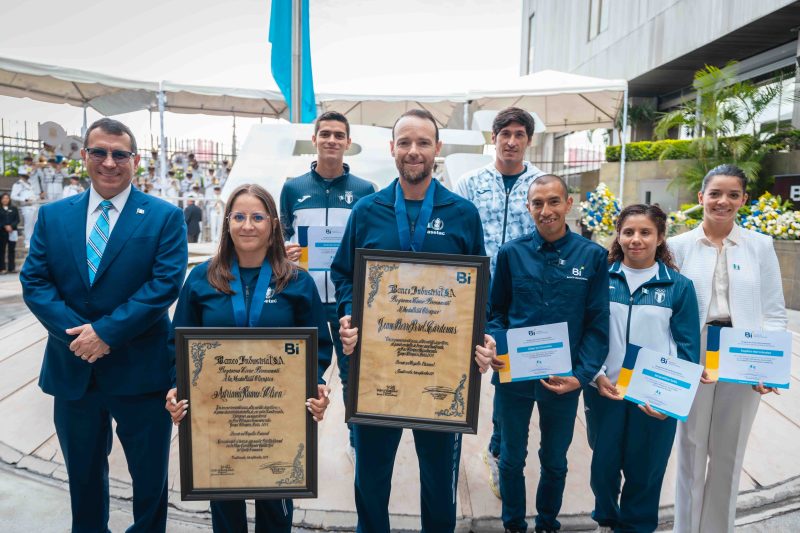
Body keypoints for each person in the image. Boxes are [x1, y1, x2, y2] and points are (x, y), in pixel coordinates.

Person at [331, 109, 496, 533]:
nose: (413, 151)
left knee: (439, 482)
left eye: (423, 142)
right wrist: (350, 313)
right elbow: (344, 273)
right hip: (377, 369)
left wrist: (482, 339)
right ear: (392, 149)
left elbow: (481, 288)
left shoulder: (462, 213)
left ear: (437, 149)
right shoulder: (369, 210)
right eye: (404, 142)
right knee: (370, 479)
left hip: (440, 370)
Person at [20, 118, 188, 532]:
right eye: (99, 152)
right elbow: (35, 281)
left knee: (150, 479)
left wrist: (106, 333)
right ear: (85, 156)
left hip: (141, 373)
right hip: (74, 370)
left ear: (135, 160)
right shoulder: (54, 216)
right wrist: (80, 337)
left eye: (119, 154)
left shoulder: (164, 217)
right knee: (83, 477)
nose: (109, 162)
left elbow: (163, 285)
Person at [165, 183, 332, 533]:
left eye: (257, 217)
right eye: (239, 216)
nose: (248, 225)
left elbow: (318, 347)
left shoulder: (296, 282)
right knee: (225, 508)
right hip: (218, 416)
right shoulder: (201, 279)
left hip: (278, 417)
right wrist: (177, 389)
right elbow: (177, 344)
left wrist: (315, 386)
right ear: (227, 223)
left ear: (273, 224)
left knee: (276, 509)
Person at [485, 174, 609, 533]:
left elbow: (598, 323)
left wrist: (581, 376)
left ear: (569, 204)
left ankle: (547, 525)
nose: (546, 210)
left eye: (554, 201)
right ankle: (512, 526)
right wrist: (498, 347)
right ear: (528, 208)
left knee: (554, 460)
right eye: (537, 203)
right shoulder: (511, 254)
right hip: (514, 376)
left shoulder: (593, 257)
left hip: (564, 378)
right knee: (510, 459)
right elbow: (496, 314)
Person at [669, 164, 787, 533]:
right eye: (715, 193)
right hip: (695, 349)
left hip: (745, 351)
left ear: (743, 200)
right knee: (691, 447)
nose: (723, 201)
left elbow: (773, 310)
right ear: (701, 197)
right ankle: (686, 528)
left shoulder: (760, 245)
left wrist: (770, 369)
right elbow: (669, 309)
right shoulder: (676, 246)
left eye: (732, 194)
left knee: (729, 449)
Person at [585, 204, 700, 533]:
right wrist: (595, 375)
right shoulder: (599, 279)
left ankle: (636, 527)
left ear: (661, 236)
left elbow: (688, 348)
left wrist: (671, 401)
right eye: (629, 232)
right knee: (603, 466)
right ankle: (606, 521)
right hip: (604, 389)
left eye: (645, 232)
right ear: (618, 236)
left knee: (646, 470)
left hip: (653, 396)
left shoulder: (678, 286)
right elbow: (586, 331)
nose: (636, 239)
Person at [454, 106, 545, 498]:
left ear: (528, 140)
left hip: (522, 298)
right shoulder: (469, 183)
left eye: (519, 134)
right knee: (465, 368)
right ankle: (449, 440)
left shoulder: (542, 184)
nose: (511, 141)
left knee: (510, 374)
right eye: (504, 133)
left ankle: (497, 451)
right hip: (473, 292)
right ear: (493, 139)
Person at [280, 110, 375, 459]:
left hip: (347, 303)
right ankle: (290, 438)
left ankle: (356, 440)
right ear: (315, 140)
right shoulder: (293, 188)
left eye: (339, 135)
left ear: (348, 143)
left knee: (354, 376)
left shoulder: (365, 191)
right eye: (325, 134)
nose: (332, 140)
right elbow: (284, 236)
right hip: (305, 300)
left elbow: (369, 246)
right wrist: (286, 253)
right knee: (301, 372)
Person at [10, 166, 41, 248]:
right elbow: (13, 196)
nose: (27, 175)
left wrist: (37, 198)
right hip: (27, 207)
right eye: (25, 174)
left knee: (35, 224)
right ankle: (27, 241)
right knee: (28, 225)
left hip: (34, 205)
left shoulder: (29, 183)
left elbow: (32, 194)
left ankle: (33, 241)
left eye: (28, 174)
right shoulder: (18, 184)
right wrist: (25, 199)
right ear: (21, 175)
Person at [0, 192, 20, 274]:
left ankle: (11, 268)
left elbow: (17, 219)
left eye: (7, 198)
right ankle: (2, 268)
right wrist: (5, 226)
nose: (5, 200)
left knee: (12, 250)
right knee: (1, 250)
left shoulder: (14, 208)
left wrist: (11, 226)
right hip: (2, 232)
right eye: (3, 198)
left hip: (12, 232)